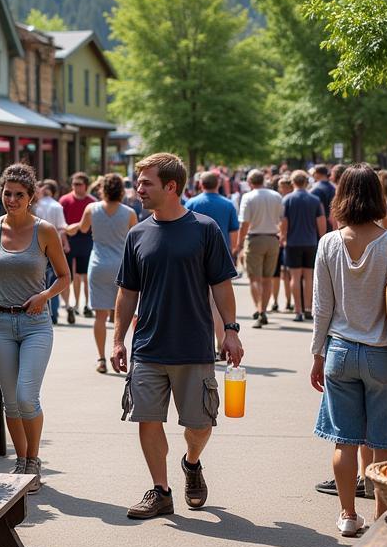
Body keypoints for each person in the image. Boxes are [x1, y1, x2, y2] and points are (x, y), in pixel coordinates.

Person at [113, 153, 241, 520]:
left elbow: (221, 285)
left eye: (146, 183)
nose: (138, 189)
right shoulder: (137, 233)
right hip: (148, 347)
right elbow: (127, 292)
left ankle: (191, 461)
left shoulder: (205, 229)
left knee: (199, 425)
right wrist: (118, 339)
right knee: (147, 419)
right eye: (138, 183)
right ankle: (161, 490)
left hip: (194, 346)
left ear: (171, 187)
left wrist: (230, 331)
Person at [310, 163, 387, 536]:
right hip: (382, 354)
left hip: (340, 352)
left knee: (344, 441)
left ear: (340, 197)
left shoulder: (328, 243)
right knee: (383, 444)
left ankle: (347, 516)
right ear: (378, 197)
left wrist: (317, 354)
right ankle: (380, 521)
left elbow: (321, 307)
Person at [0, 163, 70, 492]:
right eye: (7, 193)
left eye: (19, 195)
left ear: (31, 197)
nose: (11, 199)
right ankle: (22, 460)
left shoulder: (44, 231)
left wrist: (45, 295)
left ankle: (34, 458)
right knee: (11, 401)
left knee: (27, 397)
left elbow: (65, 277)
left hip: (35, 323)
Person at [68, 173, 137, 372]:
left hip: (98, 265)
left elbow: (81, 228)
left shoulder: (92, 208)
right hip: (122, 266)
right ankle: (125, 353)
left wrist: (66, 229)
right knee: (124, 314)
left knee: (100, 316)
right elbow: (137, 238)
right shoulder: (129, 213)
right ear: (122, 191)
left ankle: (101, 359)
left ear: (102, 189)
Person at [187, 170, 242, 357]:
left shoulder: (192, 203)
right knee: (218, 304)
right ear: (218, 184)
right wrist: (234, 250)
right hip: (220, 257)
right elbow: (234, 231)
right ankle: (221, 344)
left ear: (200, 184)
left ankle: (205, 343)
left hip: (195, 258)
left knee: (200, 303)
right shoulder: (228, 204)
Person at [237, 169, 284, 328]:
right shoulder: (276, 196)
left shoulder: (248, 197)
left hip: (255, 238)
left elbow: (244, 223)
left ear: (250, 182)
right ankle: (263, 309)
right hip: (272, 238)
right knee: (267, 278)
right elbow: (282, 218)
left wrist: (239, 243)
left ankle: (259, 309)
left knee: (254, 278)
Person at [280, 170, 327, 323]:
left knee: (295, 277)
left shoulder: (287, 199)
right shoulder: (315, 200)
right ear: (306, 182)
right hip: (311, 242)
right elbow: (321, 222)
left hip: (293, 242)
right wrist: (322, 238)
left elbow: (284, 223)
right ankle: (308, 308)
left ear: (293, 182)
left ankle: (298, 310)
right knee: (309, 276)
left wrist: (283, 238)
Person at [31, 179, 69, 325]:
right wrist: (65, 243)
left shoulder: (35, 206)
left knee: (39, 281)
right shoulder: (57, 206)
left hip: (36, 246)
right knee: (55, 281)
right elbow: (61, 228)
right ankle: (53, 313)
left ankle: (39, 310)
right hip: (54, 247)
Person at [59, 172, 96, 324]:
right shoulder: (65, 200)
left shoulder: (92, 202)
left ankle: (86, 304)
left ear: (86, 186)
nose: (76, 187)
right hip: (69, 239)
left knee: (85, 274)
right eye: (74, 184)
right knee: (69, 275)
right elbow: (62, 224)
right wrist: (65, 241)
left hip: (87, 239)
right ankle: (72, 305)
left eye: (79, 184)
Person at [273, 175, 294, 312]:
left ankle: (276, 302)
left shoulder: (282, 201)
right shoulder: (287, 200)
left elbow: (281, 221)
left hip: (281, 239)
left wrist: (281, 236)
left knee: (277, 274)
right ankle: (287, 302)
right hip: (289, 240)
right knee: (285, 273)